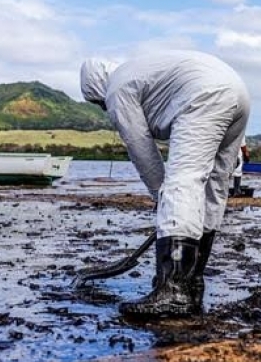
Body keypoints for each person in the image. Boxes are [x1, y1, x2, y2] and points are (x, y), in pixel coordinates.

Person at [79, 50, 250, 318]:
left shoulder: (116, 89)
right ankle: (192, 282)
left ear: (97, 88)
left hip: (203, 93)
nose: (103, 107)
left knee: (182, 182)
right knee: (214, 187)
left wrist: (163, 197)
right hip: (238, 91)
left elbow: (141, 149)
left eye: (98, 102)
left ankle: (173, 291)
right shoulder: (135, 72)